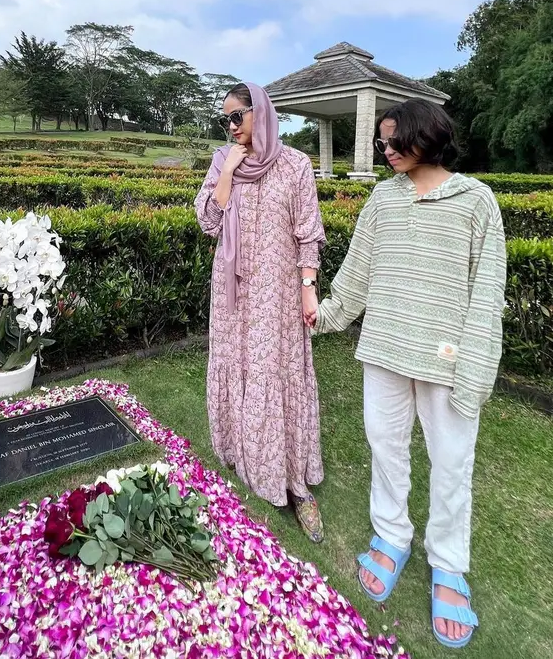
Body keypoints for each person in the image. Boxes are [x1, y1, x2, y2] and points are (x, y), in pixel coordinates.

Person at [309, 99, 506, 649]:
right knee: (385, 446)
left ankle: (448, 565)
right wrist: (321, 315)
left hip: (447, 358)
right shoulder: (383, 196)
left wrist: (476, 364)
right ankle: (391, 536)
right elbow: (358, 273)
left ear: (429, 137)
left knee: (451, 462)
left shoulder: (477, 201)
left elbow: (487, 293)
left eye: (395, 141)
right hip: (385, 350)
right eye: (382, 143)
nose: (387, 151)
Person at [195, 82, 326, 542]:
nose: (231, 126)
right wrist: (229, 170)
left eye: (237, 116)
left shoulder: (295, 165)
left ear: (261, 112)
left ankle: (291, 480)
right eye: (225, 119)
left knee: (273, 370)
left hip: (277, 292)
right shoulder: (222, 161)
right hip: (232, 291)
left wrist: (308, 290)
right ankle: (242, 453)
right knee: (239, 365)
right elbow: (210, 222)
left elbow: (308, 233)